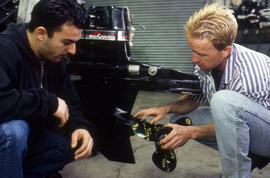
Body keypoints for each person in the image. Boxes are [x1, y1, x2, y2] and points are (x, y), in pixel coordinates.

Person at [134, 3, 270, 178]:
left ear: (226, 51)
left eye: (202, 54)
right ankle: (249, 156)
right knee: (182, 120)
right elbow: (195, 98)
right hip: (249, 128)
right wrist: (165, 109)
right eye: (193, 51)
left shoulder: (248, 74)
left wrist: (191, 133)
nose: (194, 59)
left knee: (223, 101)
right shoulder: (206, 62)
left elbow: (236, 125)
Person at [0, 0, 94, 177]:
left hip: (32, 135)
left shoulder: (54, 59)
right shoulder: (5, 49)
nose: (73, 50)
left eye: (75, 42)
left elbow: (70, 102)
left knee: (75, 144)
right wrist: (48, 102)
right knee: (13, 132)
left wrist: (80, 127)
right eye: (67, 42)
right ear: (41, 33)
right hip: (10, 134)